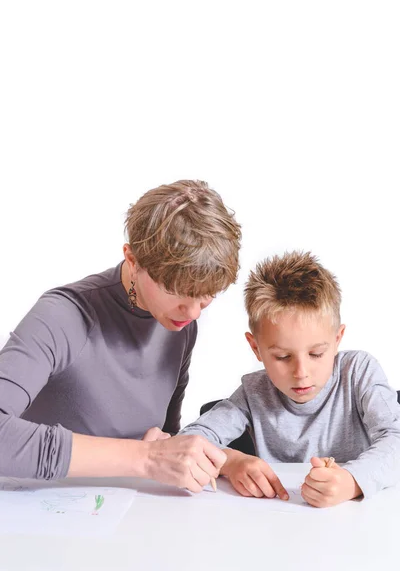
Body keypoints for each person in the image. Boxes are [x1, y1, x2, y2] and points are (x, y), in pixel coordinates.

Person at [0, 179, 241, 492]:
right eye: (177, 291)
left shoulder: (179, 323)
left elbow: (167, 443)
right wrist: (144, 458)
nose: (194, 312)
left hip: (127, 511)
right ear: (133, 259)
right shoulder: (64, 315)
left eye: (208, 294)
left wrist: (228, 460)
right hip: (43, 514)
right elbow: (152, 456)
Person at [179, 251, 400, 507]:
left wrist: (351, 481)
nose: (301, 372)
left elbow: (396, 439)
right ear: (256, 348)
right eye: (283, 357)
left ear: (337, 339)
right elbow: (189, 442)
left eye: (316, 353)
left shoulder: (359, 373)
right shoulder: (253, 394)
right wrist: (231, 462)